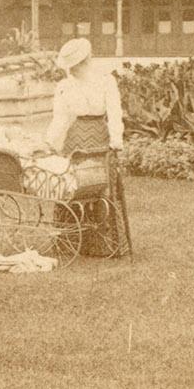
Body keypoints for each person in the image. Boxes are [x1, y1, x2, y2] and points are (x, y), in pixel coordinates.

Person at [45, 37, 133, 257]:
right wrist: (51, 143)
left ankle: (98, 243)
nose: (74, 69)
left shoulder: (105, 80)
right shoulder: (66, 85)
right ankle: (75, 242)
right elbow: (61, 119)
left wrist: (115, 141)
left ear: (85, 60)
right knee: (75, 187)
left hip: (98, 138)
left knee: (98, 187)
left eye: (77, 64)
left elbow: (114, 113)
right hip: (76, 140)